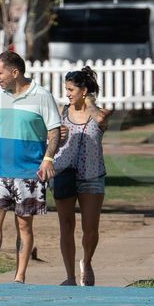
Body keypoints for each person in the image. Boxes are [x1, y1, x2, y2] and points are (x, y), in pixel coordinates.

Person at [0, 51, 61, 284]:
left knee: (24, 223)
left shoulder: (41, 96)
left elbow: (54, 132)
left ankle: (20, 276)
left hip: (29, 173)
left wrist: (47, 159)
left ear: (15, 72)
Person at [51, 67, 111, 286]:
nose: (67, 93)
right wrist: (57, 135)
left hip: (92, 175)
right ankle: (70, 276)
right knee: (66, 225)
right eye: (66, 89)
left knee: (90, 228)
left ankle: (86, 262)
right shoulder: (60, 112)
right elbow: (47, 139)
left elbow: (101, 118)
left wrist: (90, 102)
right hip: (63, 173)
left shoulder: (99, 113)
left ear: (83, 90)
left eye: (71, 89)